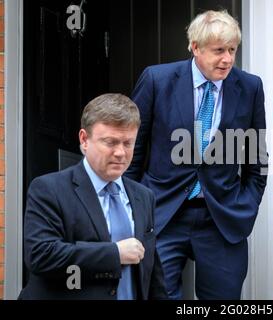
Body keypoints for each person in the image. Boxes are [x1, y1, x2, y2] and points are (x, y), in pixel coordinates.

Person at [127, 10, 268, 299]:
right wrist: (134, 211)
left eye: (232, 50)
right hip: (163, 215)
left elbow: (257, 158)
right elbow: (132, 150)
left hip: (222, 219)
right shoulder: (157, 80)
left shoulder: (250, 87)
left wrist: (247, 204)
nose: (227, 59)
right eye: (219, 51)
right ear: (195, 47)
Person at [19, 94, 167, 300]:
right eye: (110, 142)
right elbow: (41, 255)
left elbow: (151, 271)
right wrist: (114, 254)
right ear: (84, 140)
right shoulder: (48, 189)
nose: (121, 153)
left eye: (128, 143)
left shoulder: (144, 196)